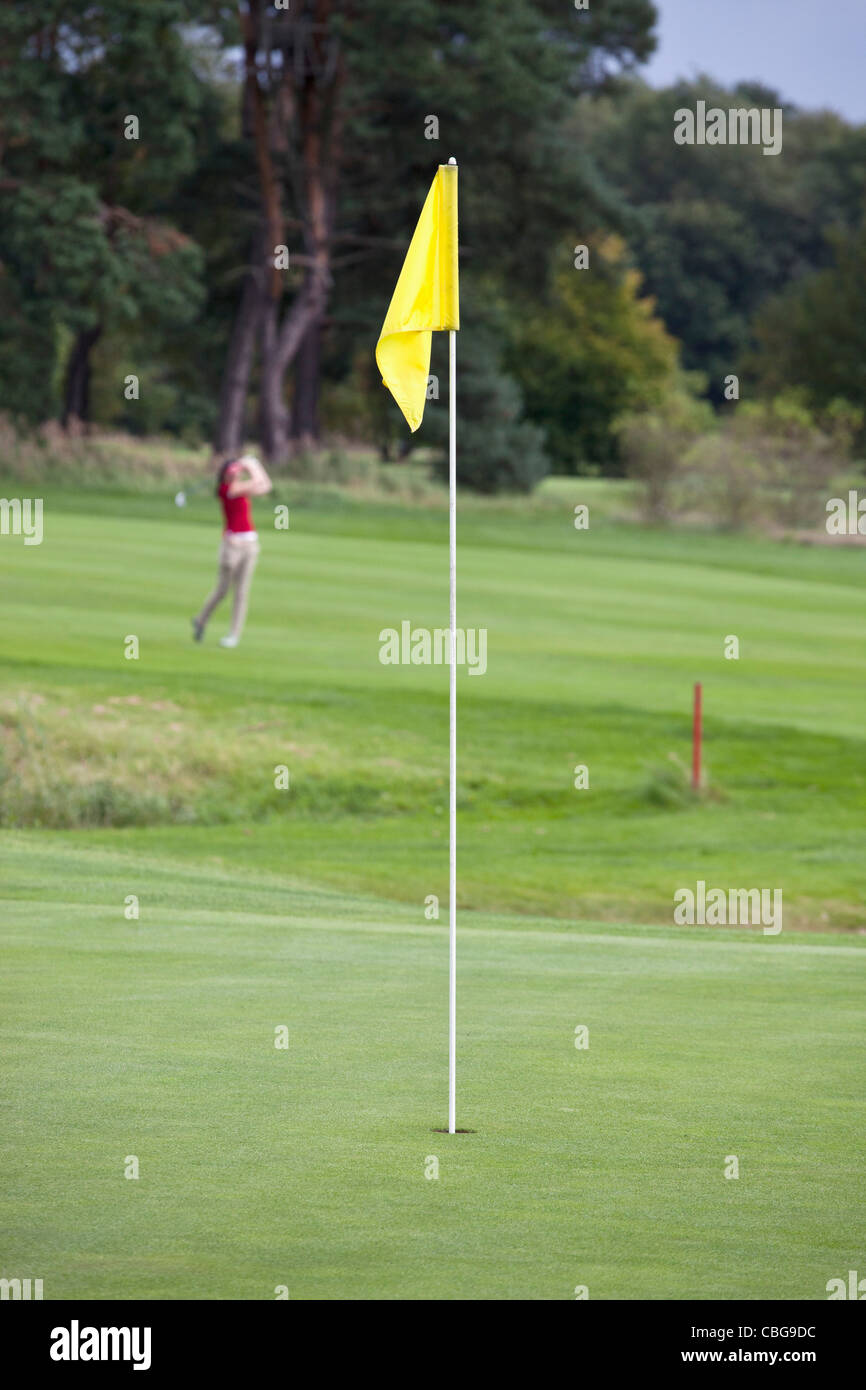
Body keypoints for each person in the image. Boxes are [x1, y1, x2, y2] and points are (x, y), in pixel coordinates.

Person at [192, 453, 272, 648]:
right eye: (232, 472)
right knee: (222, 590)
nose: (234, 475)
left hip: (250, 545)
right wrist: (252, 465)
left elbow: (266, 486)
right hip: (232, 547)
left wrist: (253, 465)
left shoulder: (240, 488)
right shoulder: (227, 489)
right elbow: (258, 483)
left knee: (241, 593)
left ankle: (233, 636)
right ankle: (201, 619)